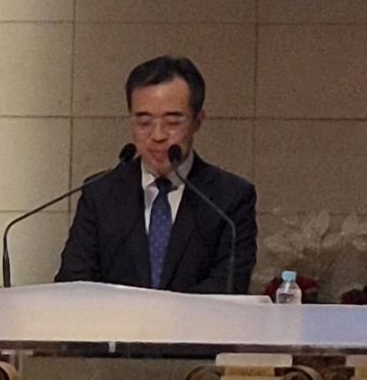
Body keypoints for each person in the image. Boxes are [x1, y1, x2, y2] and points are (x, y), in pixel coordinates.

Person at [55, 53, 257, 294]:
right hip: (114, 319)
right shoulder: (100, 194)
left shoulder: (230, 198)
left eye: (172, 122)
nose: (158, 135)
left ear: (197, 121)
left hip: (196, 319)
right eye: (144, 122)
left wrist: (163, 313)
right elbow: (74, 280)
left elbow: (229, 285)